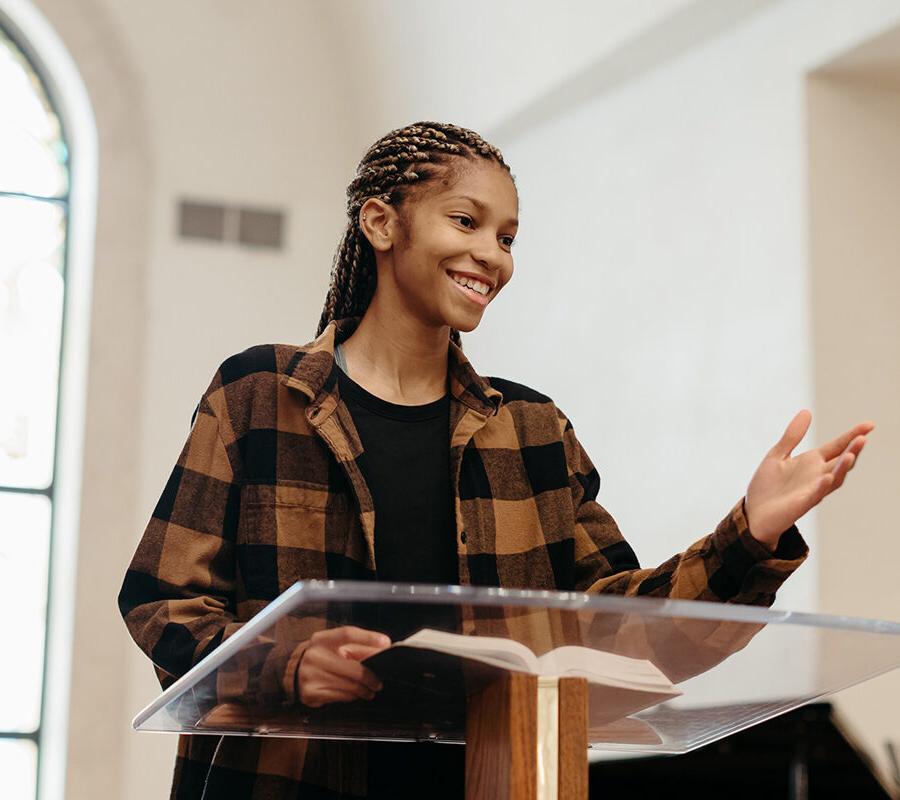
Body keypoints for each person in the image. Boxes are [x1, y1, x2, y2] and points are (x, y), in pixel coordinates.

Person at [118, 121, 874, 799]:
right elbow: (160, 600)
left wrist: (753, 533)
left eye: (507, 237)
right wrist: (286, 666)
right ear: (381, 223)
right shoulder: (258, 393)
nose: (492, 255)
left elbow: (622, 632)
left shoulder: (534, 431)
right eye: (466, 221)